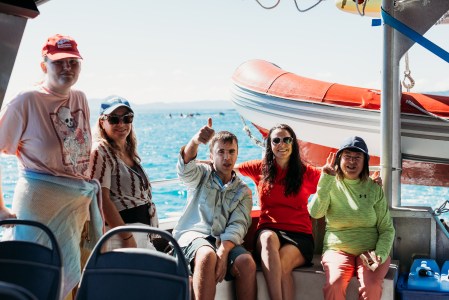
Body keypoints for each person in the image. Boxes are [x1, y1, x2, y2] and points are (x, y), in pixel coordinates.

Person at [0, 34, 103, 299]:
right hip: (40, 209)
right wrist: (0, 208)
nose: (67, 67)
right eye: (59, 62)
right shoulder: (25, 101)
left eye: (73, 61)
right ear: (44, 65)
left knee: (73, 283)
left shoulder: (79, 98)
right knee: (40, 281)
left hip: (77, 209)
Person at [172, 118, 257, 300]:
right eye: (221, 152)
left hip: (223, 241)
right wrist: (195, 141)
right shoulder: (201, 175)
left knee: (246, 263)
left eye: (231, 152)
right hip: (194, 236)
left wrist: (224, 251)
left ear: (237, 155)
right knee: (206, 255)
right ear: (211, 156)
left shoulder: (243, 191)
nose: (226, 157)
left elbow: (238, 225)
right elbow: (184, 168)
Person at [235, 123, 322, 300]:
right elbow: (227, 166)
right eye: (276, 140)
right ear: (270, 145)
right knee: (267, 238)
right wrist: (196, 162)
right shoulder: (259, 167)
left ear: (293, 143)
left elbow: (337, 181)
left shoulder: (307, 173)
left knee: (282, 264)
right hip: (268, 230)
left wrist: (370, 181)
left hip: (299, 235)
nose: (281, 144)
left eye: (286, 139)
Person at [308, 136, 395, 300]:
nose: (352, 162)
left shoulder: (374, 188)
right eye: (347, 156)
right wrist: (325, 179)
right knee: (335, 283)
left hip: (370, 252)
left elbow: (387, 229)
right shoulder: (330, 183)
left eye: (357, 158)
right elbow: (315, 212)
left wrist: (380, 254)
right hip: (338, 249)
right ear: (339, 158)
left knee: (372, 287)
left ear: (365, 162)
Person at [89, 96, 158, 248]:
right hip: (120, 238)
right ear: (102, 122)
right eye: (114, 119)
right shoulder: (100, 151)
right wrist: (126, 238)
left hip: (141, 235)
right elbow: (101, 198)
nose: (121, 124)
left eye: (127, 118)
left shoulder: (128, 151)